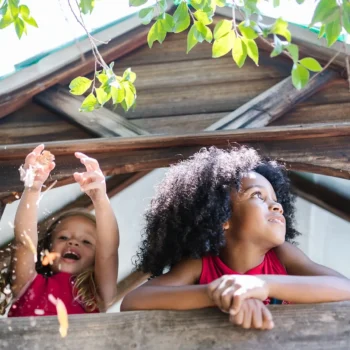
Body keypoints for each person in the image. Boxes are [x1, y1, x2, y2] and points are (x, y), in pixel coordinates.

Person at [121, 146, 350, 330]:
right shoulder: (201, 265)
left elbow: (344, 289)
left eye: (275, 198)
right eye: (258, 195)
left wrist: (261, 285)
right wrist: (222, 294)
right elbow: (134, 301)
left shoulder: (283, 256)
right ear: (222, 217)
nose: (277, 205)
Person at [1, 144, 119, 316]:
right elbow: (24, 242)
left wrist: (100, 198)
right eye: (63, 237)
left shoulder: (96, 296)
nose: (73, 242)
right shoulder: (29, 284)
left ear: (97, 258)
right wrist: (32, 188)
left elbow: (109, 251)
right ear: (48, 249)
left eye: (86, 241)